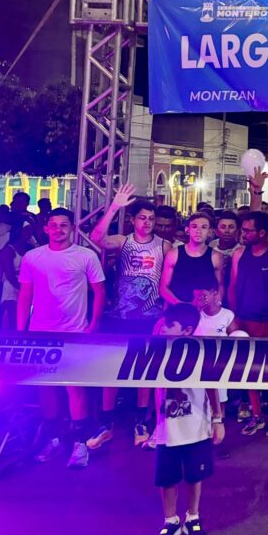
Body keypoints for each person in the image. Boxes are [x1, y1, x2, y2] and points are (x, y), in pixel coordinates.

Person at [17, 208, 106, 469]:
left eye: (63, 225)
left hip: (74, 333)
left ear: (72, 228)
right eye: (53, 225)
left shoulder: (86, 255)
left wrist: (93, 325)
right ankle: (53, 438)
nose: (58, 229)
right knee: (46, 388)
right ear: (46, 229)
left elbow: (99, 292)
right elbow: (25, 296)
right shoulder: (33, 257)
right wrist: (21, 331)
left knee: (74, 388)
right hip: (40, 333)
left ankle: (80, 443)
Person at [88, 185, 174, 450]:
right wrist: (114, 206)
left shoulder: (165, 246)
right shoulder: (123, 241)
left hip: (150, 318)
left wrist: (166, 316)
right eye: (142, 218)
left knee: (144, 371)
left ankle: (141, 421)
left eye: (151, 219)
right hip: (119, 317)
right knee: (113, 369)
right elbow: (96, 237)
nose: (147, 223)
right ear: (133, 220)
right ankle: (106, 423)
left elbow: (168, 282)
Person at [152, 304, 225, 535]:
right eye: (163, 324)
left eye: (169, 325)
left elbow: (211, 385)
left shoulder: (200, 353)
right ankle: (170, 521)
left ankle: (192, 517)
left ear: (187, 330)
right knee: (167, 479)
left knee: (195, 476)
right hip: (166, 428)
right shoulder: (156, 350)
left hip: (196, 426)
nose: (163, 329)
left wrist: (217, 419)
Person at [228, 211, 268, 437]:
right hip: (244, 319)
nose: (243, 234)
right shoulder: (239, 253)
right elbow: (233, 287)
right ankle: (257, 414)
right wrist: (234, 317)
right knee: (249, 369)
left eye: (248, 230)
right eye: (243, 229)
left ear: (262, 233)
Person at [160, 214, 225, 306]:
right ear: (187, 230)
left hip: (205, 309)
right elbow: (163, 287)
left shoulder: (216, 256)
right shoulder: (173, 254)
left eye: (204, 227)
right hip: (177, 308)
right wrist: (181, 305)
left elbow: (220, 285)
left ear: (209, 231)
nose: (198, 231)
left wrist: (217, 301)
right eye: (194, 227)